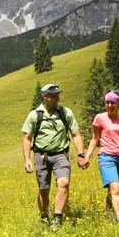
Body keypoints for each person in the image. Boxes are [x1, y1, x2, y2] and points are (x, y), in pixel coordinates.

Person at [22, 83, 85, 229]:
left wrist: (81, 154)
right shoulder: (34, 115)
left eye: (58, 94)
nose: (58, 97)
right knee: (44, 190)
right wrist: (26, 159)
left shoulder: (65, 112)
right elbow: (27, 138)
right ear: (45, 97)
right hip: (41, 156)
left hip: (61, 154)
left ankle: (57, 219)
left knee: (64, 183)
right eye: (54, 95)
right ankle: (44, 217)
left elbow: (75, 134)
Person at [79, 90, 119, 227]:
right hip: (106, 157)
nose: (109, 106)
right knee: (116, 189)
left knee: (113, 190)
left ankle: (106, 216)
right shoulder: (100, 118)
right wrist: (86, 157)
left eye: (112, 103)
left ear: (118, 103)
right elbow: (94, 139)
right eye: (107, 103)